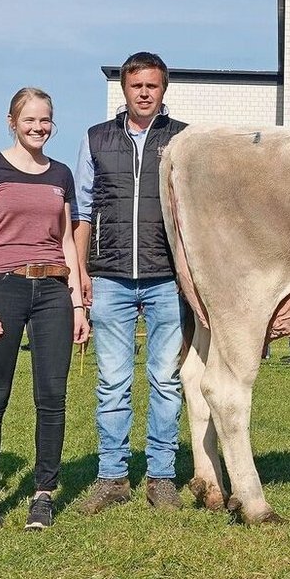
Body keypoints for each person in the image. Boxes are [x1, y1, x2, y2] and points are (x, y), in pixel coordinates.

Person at [0, 88, 90, 531]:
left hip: (53, 290)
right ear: (12, 121)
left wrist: (77, 303)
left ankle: (43, 494)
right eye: (30, 119)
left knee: (52, 398)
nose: (39, 127)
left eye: (46, 120)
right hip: (1, 289)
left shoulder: (61, 174)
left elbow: (65, 241)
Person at [73, 52, 189, 513]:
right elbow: (82, 211)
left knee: (165, 380)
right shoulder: (96, 139)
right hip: (110, 277)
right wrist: (80, 273)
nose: (144, 92)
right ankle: (112, 476)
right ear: (124, 88)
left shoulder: (183, 140)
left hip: (166, 279)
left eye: (153, 86)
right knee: (113, 381)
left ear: (164, 90)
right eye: (137, 85)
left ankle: (161, 476)